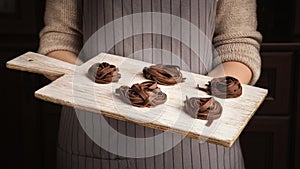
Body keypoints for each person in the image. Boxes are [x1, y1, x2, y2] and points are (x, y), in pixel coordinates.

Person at [38, 0, 262, 168]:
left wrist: (212, 95)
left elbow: (237, 43)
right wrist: (94, 84)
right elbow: (59, 38)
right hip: (95, 133)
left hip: (202, 144)